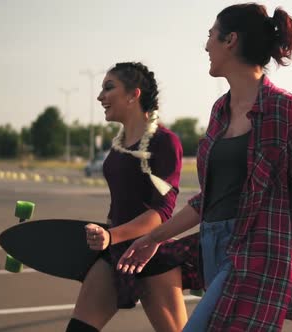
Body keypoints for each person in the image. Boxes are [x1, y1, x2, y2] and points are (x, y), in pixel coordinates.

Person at [117, 4, 292, 331]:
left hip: (258, 254)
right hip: (213, 245)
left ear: (230, 41)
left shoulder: (285, 111)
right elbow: (209, 199)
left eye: (211, 35)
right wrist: (154, 238)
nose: (206, 45)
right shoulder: (220, 111)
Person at [66, 61, 200, 332]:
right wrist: (109, 238)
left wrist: (113, 235)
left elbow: (161, 212)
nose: (100, 96)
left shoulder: (164, 142)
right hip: (114, 251)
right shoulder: (118, 147)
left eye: (108, 88)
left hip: (152, 255)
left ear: (133, 94)